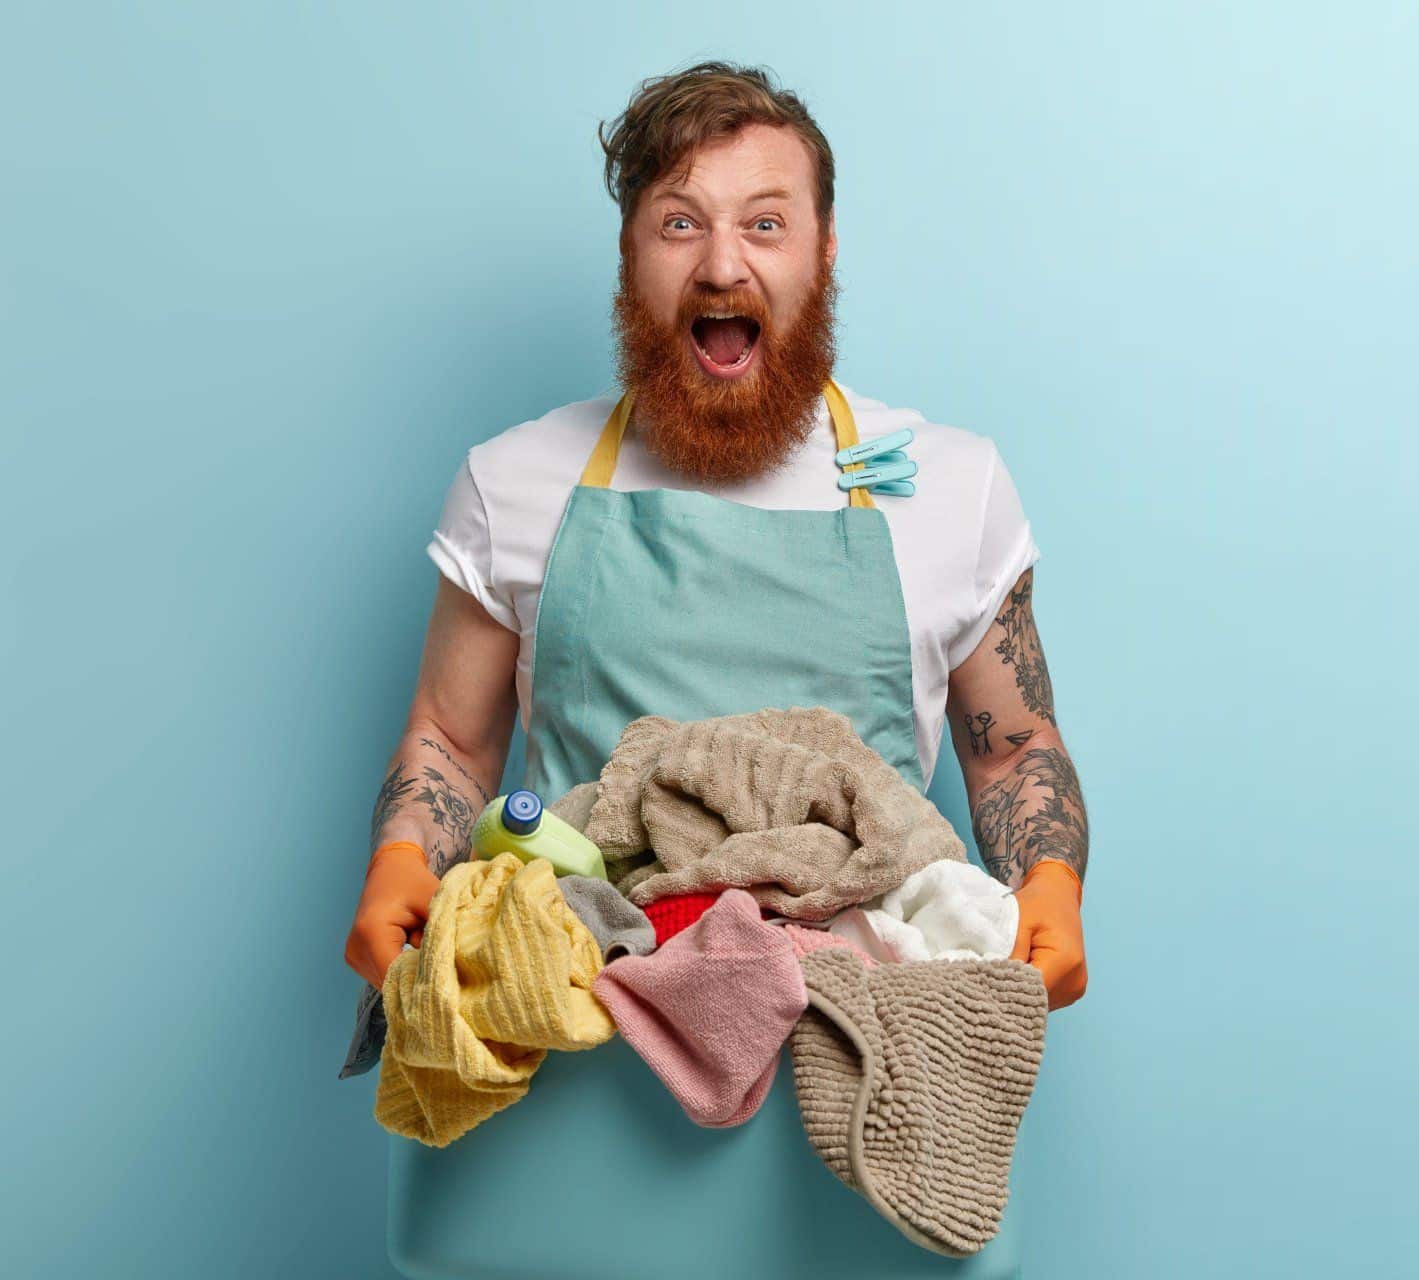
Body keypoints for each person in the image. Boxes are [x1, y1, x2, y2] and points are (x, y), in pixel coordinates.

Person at [341, 61, 1089, 1278]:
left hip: (866, 1066)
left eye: (766, 223)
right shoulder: (515, 481)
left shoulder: (952, 485)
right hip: (566, 1067)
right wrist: (400, 865)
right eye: (680, 222)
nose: (722, 265)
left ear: (825, 252)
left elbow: (1013, 749)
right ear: (630, 256)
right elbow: (451, 739)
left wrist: (1049, 882)